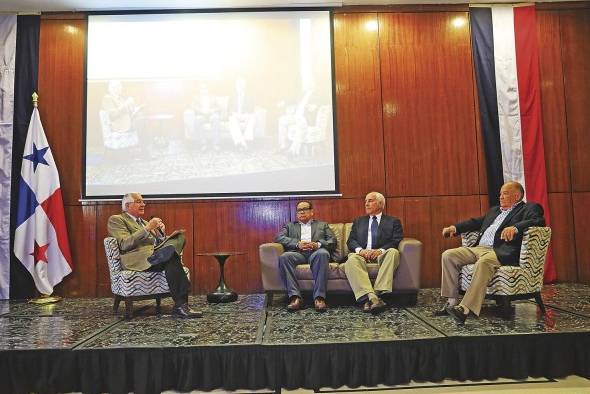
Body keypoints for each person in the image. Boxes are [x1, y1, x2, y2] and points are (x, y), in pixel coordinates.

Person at [437, 181, 545, 325]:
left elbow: (539, 220)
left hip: (500, 250)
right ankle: (452, 302)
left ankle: (465, 309)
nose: (500, 197)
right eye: (500, 194)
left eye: (505, 193)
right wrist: (454, 228)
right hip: (479, 248)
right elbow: (475, 222)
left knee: (483, 263)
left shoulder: (528, 208)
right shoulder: (495, 211)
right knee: (448, 255)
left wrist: (516, 227)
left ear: (517, 196)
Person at [107, 192, 201, 318]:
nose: (143, 204)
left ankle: (180, 305)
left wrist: (161, 234)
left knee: (178, 238)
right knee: (171, 256)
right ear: (128, 205)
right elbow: (124, 244)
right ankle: (181, 305)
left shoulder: (144, 222)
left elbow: (155, 243)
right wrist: (147, 229)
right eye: (139, 201)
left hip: (154, 257)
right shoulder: (117, 220)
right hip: (137, 260)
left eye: (143, 201)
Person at [344, 192, 403, 314]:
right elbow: (351, 241)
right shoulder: (359, 221)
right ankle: (375, 299)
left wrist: (380, 251)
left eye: (370, 201)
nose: (366, 203)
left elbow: (395, 240)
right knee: (352, 259)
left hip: (382, 254)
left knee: (393, 252)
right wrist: (361, 250)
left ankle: (373, 295)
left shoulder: (393, 221)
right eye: (365, 201)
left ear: (380, 204)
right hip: (362, 255)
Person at [274, 201, 336, 312]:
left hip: (316, 253)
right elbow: (279, 237)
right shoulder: (290, 226)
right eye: (299, 210)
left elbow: (332, 241)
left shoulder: (322, 225)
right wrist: (297, 244)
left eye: (305, 209)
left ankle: (319, 297)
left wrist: (317, 244)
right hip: (298, 253)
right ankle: (295, 297)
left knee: (322, 253)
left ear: (312, 212)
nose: (301, 212)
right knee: (284, 257)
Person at [183, 83, 222, 152]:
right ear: (200, 90)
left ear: (207, 90)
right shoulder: (196, 98)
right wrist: (201, 110)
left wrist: (212, 110)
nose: (203, 90)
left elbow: (219, 107)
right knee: (198, 120)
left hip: (211, 114)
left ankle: (216, 144)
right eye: (202, 89)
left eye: (205, 89)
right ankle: (203, 144)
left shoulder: (213, 97)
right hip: (202, 115)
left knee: (216, 118)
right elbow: (192, 106)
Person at [228, 78, 256, 150]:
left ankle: (245, 139)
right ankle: (243, 142)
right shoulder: (232, 96)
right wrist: (233, 113)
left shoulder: (249, 96)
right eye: (237, 86)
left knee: (252, 117)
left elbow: (252, 108)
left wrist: (247, 113)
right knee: (232, 119)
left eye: (241, 86)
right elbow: (228, 108)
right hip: (235, 115)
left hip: (245, 115)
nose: (239, 88)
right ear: (236, 87)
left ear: (244, 87)